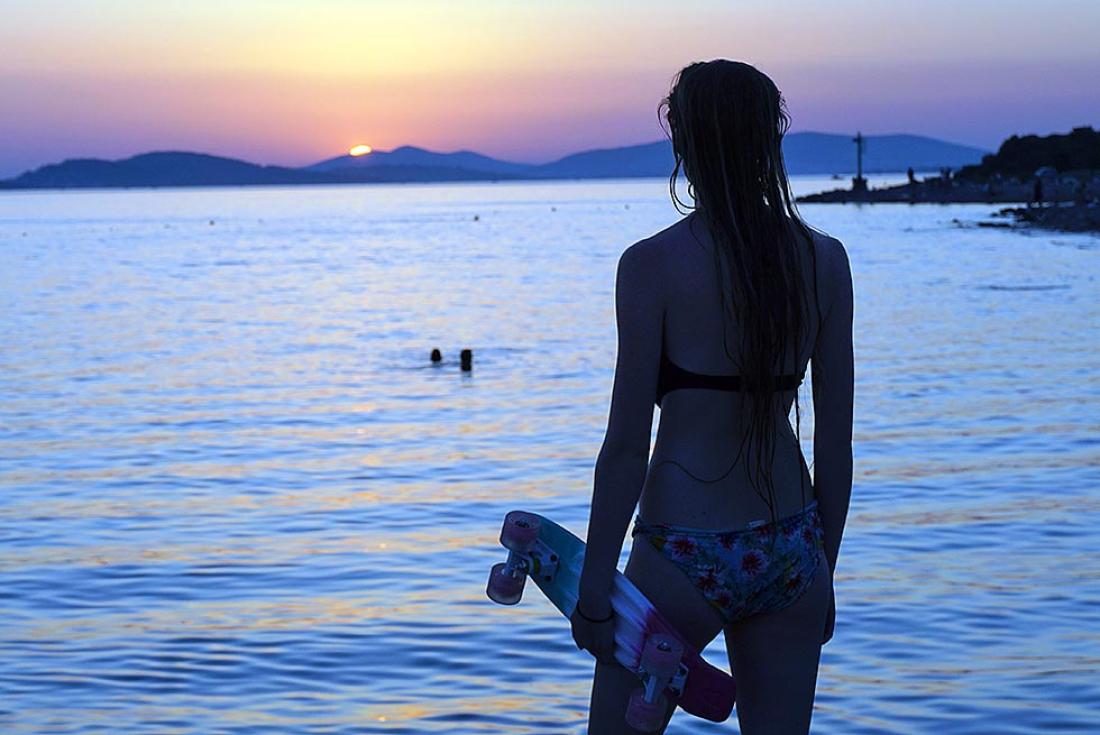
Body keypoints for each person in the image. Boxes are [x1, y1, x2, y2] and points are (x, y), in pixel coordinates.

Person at [569, 59, 854, 735]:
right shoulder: (824, 260)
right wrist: (824, 569)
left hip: (681, 549)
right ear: (768, 141)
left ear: (685, 143)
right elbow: (836, 446)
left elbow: (625, 447)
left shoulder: (652, 265)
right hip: (792, 545)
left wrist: (594, 585)